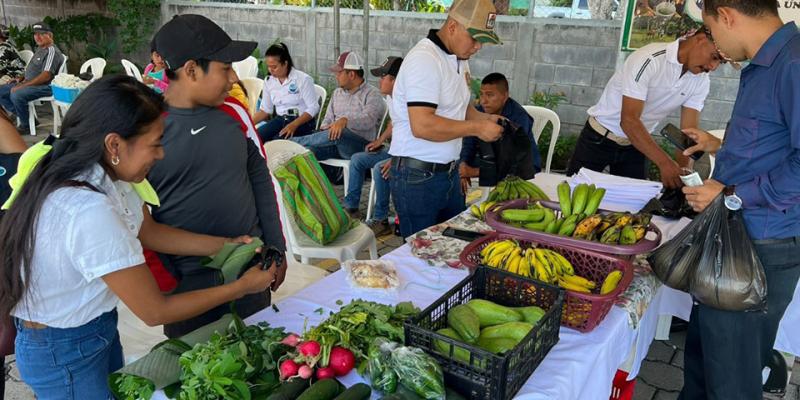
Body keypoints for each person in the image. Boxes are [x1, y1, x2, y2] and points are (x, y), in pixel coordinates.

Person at [0, 75, 277, 398]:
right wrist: (242, 287)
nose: (160, 154)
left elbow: (149, 231)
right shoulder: (88, 209)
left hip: (93, 330)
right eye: (155, 143)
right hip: (65, 351)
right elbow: (154, 311)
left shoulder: (103, 174)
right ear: (115, 144)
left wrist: (224, 245)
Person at [676, 1, 800, 398]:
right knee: (705, 361)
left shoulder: (793, 65)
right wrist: (720, 144)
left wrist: (731, 193)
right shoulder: (768, 65)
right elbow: (773, 141)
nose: (715, 44)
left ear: (727, 15)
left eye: (712, 30)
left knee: (731, 378)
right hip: (735, 238)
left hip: (762, 245)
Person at [148, 14, 287, 338]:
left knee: (258, 360)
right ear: (192, 70)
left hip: (251, 269)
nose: (234, 78)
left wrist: (276, 249)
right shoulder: (146, 128)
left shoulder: (235, 114)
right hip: (187, 289)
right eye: (225, 68)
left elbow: (261, 181)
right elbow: (136, 216)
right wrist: (166, 281)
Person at [388, 0, 504, 238]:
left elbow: (462, 107)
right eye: (474, 38)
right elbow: (422, 125)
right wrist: (477, 128)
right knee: (420, 257)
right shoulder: (425, 60)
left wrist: (487, 120)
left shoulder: (458, 59)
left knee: (453, 248)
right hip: (418, 178)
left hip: (448, 175)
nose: (478, 46)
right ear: (452, 26)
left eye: (483, 40)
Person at [565, 26, 724, 188]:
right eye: (714, 57)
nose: (713, 67)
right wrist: (665, 163)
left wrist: (684, 172)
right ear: (700, 39)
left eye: (720, 62)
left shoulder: (702, 81)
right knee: (573, 195)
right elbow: (628, 121)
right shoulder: (649, 59)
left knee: (634, 208)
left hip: (638, 145)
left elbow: (688, 133)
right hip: (598, 138)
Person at [342, 56, 401, 233]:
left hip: (406, 154)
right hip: (394, 150)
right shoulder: (392, 97)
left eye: (383, 77)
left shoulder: (407, 101)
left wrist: (397, 159)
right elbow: (393, 124)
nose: (379, 81)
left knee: (379, 168)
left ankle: (381, 219)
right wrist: (380, 140)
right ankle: (351, 208)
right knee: (357, 159)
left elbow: (413, 135)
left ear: (395, 81)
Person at [292, 51, 386, 163]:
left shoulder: (372, 93)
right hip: (333, 143)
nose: (336, 76)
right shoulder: (337, 93)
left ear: (351, 74)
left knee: (341, 132)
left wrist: (345, 121)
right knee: (308, 152)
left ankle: (292, 142)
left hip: (359, 146)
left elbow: (369, 120)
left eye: (339, 73)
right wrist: (326, 127)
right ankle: (330, 177)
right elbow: (327, 119)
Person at [459, 72, 540, 194]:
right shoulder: (480, 111)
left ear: (505, 96)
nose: (483, 101)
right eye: (481, 94)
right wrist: (463, 167)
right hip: (490, 159)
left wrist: (474, 172)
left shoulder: (518, 117)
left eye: (490, 95)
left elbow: (512, 161)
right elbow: (469, 142)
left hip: (521, 167)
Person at [0, 22, 64, 135]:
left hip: (45, 86)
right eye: (35, 34)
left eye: (41, 34)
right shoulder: (40, 49)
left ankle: (26, 126)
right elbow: (31, 69)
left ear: (50, 35)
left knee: (17, 94)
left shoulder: (51, 51)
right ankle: (28, 118)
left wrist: (24, 85)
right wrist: (19, 79)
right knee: (2, 91)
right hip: (31, 83)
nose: (37, 37)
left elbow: (46, 76)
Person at [253, 43, 318, 142]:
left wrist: (294, 124)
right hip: (281, 119)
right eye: (268, 67)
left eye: (274, 67)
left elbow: (313, 107)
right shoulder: (269, 81)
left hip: (301, 121)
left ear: (285, 63)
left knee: (276, 142)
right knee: (255, 138)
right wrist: (246, 124)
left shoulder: (303, 79)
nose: (271, 70)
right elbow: (266, 110)